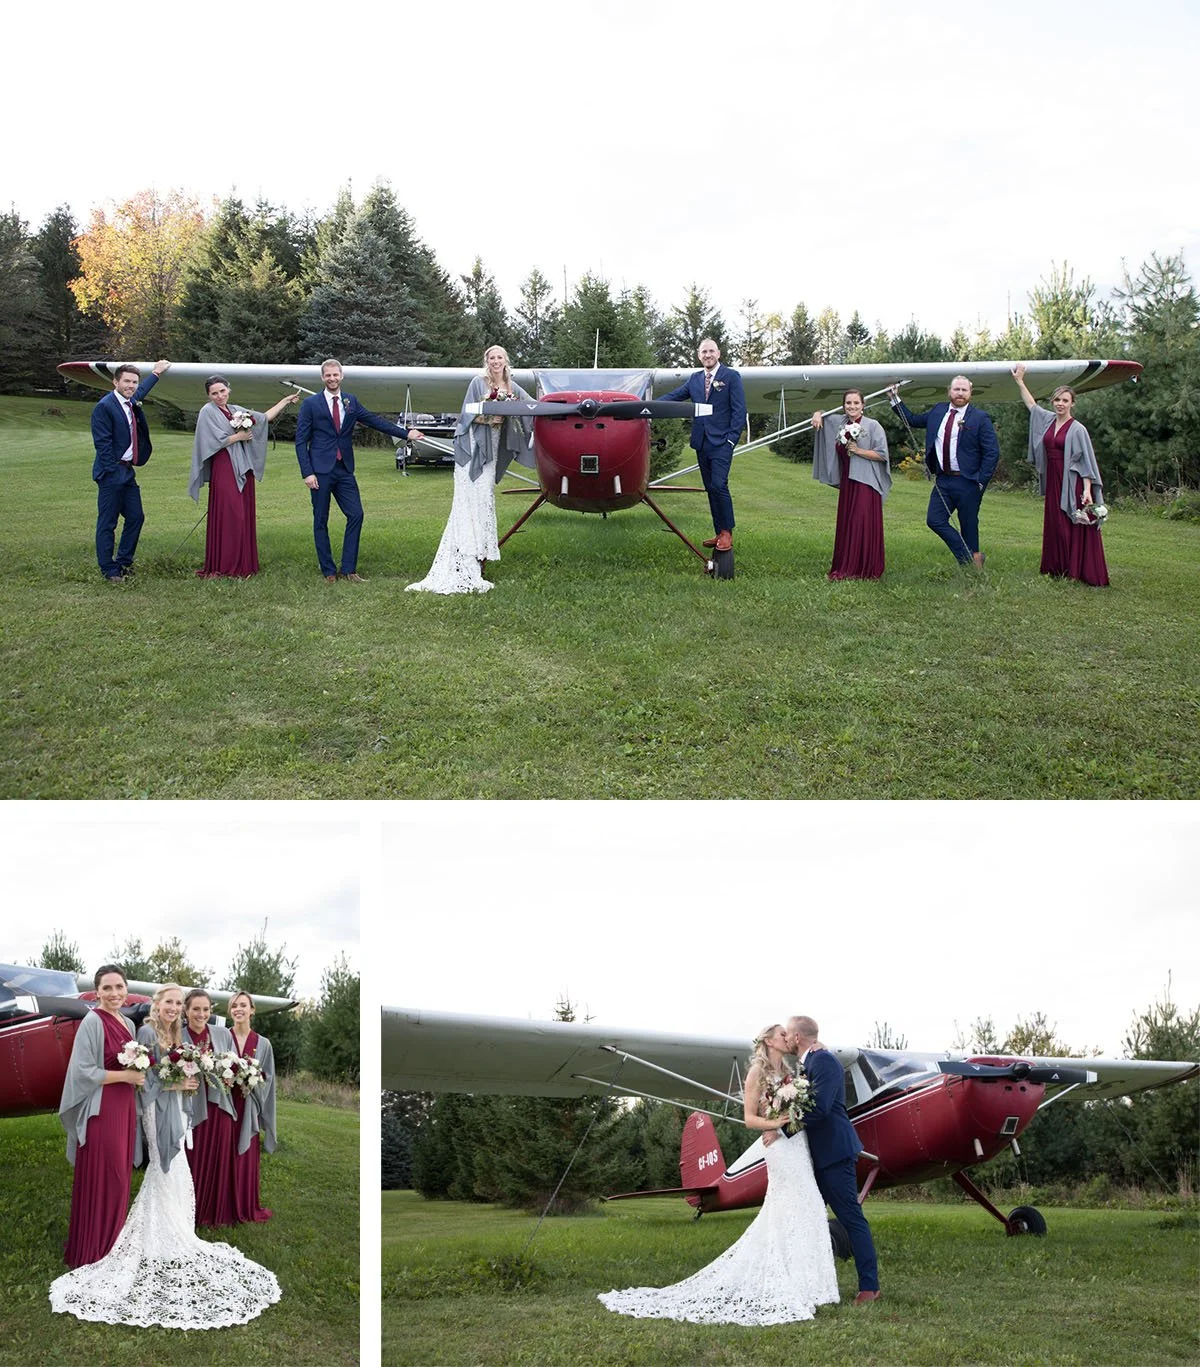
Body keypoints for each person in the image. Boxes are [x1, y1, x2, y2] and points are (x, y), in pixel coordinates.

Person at [49, 983, 282, 1328]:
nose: (174, 1008)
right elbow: (145, 1080)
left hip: (177, 1108)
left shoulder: (175, 1032)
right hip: (156, 1110)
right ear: (156, 1005)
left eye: (177, 1003)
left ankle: (174, 1231)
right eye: (169, 1002)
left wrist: (187, 1079)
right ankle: (160, 1230)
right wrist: (175, 1084)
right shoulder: (144, 1030)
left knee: (177, 1167)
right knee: (166, 1165)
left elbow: (175, 1068)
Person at [599, 1023, 839, 1324]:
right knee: (792, 1207)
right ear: (768, 1040)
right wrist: (775, 1126)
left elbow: (810, 1095)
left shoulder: (790, 1074)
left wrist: (819, 1051)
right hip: (779, 1146)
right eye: (782, 1034)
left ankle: (813, 1286)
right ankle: (793, 1283)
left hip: (796, 1144)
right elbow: (751, 1120)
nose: (788, 1037)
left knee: (808, 1207)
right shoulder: (756, 1074)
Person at [406, 345, 533, 595]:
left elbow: (531, 406)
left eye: (499, 357)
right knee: (469, 501)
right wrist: (490, 418)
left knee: (483, 499)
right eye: (491, 358)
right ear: (486, 361)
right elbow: (467, 414)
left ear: (506, 360)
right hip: (475, 445)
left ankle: (473, 558)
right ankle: (466, 563)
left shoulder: (512, 386)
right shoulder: (479, 382)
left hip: (493, 447)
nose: (496, 361)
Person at [295, 358, 422, 583]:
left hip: (344, 469)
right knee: (320, 520)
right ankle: (328, 572)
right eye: (328, 375)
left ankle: (349, 569)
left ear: (341, 376)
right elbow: (300, 441)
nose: (332, 378)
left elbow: (374, 421)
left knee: (356, 514)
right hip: (320, 471)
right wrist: (307, 473)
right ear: (322, 378)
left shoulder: (350, 401)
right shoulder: (311, 404)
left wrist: (406, 434)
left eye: (336, 375)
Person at [784, 1015, 880, 1304]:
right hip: (821, 1156)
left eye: (788, 1034)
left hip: (835, 1154)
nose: (786, 1039)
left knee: (851, 1218)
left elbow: (821, 1109)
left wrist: (781, 1128)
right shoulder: (811, 1062)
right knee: (808, 1218)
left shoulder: (823, 1061)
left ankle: (869, 1287)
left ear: (798, 1037)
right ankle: (808, 1282)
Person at [57, 965, 144, 1267]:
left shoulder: (129, 1025)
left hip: (124, 1107)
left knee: (121, 1177)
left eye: (119, 987)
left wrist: (137, 1076)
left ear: (126, 988)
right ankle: (94, 1248)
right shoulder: (92, 1021)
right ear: (97, 992)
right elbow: (84, 1071)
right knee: (108, 1176)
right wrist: (126, 1077)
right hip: (102, 1108)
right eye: (107, 988)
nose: (114, 993)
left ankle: (113, 1243)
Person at [189, 377, 299, 577]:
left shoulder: (234, 410)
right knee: (231, 514)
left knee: (242, 513)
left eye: (222, 391)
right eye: (214, 393)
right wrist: (237, 437)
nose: (220, 396)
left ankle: (243, 565)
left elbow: (263, 418)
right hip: (224, 466)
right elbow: (209, 441)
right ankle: (225, 565)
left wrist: (284, 402)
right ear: (209, 395)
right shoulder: (207, 412)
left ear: (229, 390)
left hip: (243, 466)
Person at [1011, 365, 1109, 586]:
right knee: (1055, 524)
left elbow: (1085, 463)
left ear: (1072, 403)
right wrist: (1020, 381)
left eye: (1065, 400)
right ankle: (1057, 568)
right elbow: (1031, 406)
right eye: (1057, 400)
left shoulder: (1078, 429)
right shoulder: (1047, 421)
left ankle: (1076, 569)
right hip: (1053, 480)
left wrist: (1086, 491)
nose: (1060, 404)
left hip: (1072, 483)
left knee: (1071, 524)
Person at [889, 376, 998, 568]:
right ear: (949, 391)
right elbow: (913, 420)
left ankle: (971, 570)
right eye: (956, 389)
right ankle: (971, 558)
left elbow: (992, 452)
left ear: (970, 393)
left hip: (968, 482)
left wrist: (981, 481)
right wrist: (894, 399)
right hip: (943, 480)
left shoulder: (980, 418)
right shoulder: (938, 411)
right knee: (935, 520)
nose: (960, 393)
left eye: (964, 390)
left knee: (968, 525)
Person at [658, 339, 747, 552]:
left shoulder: (731, 377)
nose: (708, 355)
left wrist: (730, 440)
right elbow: (674, 397)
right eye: (704, 352)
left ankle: (727, 532)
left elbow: (739, 411)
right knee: (710, 488)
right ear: (699, 356)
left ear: (718, 353)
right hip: (701, 443)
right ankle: (719, 532)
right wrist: (645, 407)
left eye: (711, 351)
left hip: (721, 443)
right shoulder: (695, 379)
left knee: (719, 485)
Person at [91, 359, 171, 582]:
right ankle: (109, 569)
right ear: (115, 382)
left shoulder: (130, 401)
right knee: (108, 522)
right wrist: (113, 473)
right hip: (111, 474)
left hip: (127, 472)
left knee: (136, 517)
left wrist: (156, 373)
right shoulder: (104, 407)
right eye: (126, 381)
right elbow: (102, 444)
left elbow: (142, 391)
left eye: (134, 382)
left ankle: (124, 563)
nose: (131, 385)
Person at [811, 390, 891, 579]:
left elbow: (882, 454)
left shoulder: (873, 426)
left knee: (860, 523)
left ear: (863, 405)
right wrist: (817, 413)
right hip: (848, 482)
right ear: (843, 405)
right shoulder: (841, 423)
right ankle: (847, 566)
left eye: (856, 403)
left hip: (866, 482)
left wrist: (858, 450)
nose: (852, 406)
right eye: (848, 403)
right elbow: (822, 417)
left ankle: (864, 569)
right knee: (847, 524)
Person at [182, 988, 237, 1226]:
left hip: (218, 1106)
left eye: (205, 1009)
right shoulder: (178, 1035)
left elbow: (234, 1064)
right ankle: (188, 1211)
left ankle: (213, 1212)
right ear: (186, 1011)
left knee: (216, 1159)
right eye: (196, 1009)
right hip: (191, 1108)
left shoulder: (222, 1033)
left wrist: (229, 1075)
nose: (201, 1014)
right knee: (191, 1159)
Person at [227, 990, 277, 1223]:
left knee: (244, 1155)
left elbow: (268, 1077)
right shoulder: (222, 1037)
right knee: (224, 1153)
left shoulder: (264, 1044)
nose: (239, 1009)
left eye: (243, 1005)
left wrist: (252, 1082)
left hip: (248, 1105)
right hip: (225, 1104)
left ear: (252, 1010)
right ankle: (223, 1202)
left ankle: (244, 1204)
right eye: (235, 1005)